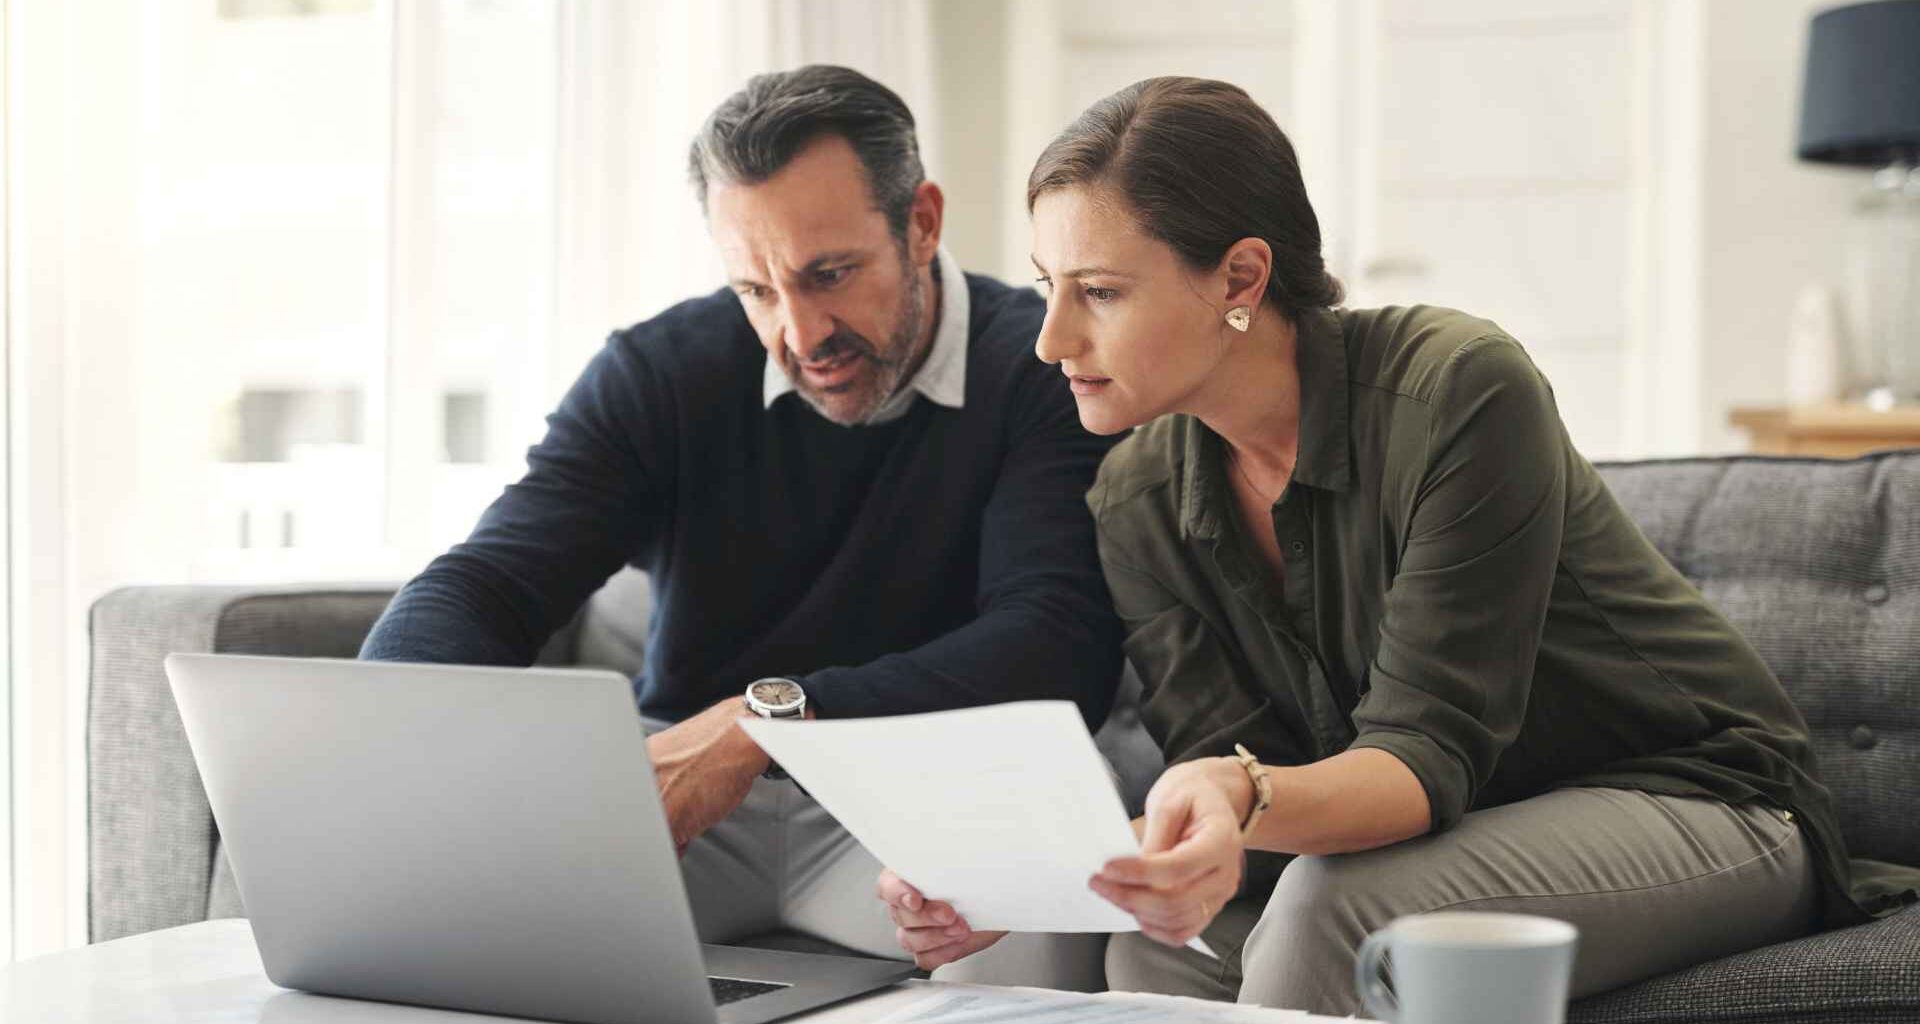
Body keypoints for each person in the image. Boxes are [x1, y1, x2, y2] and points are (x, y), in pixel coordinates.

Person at [878, 76, 1920, 1014]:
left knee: (1336, 911)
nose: (1051, 338)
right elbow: (1232, 769)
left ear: (1241, 277)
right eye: (1047, 286)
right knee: (1156, 949)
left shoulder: (1458, 389)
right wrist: (1033, 878)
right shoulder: (1138, 494)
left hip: (1699, 800)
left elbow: (1420, 758)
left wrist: (1239, 795)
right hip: (1452, 832)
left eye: (1099, 291)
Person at [360, 65, 1123, 986]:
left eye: (828, 275)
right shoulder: (659, 373)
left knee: (1036, 931)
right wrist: (392, 736)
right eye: (757, 290)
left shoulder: (1043, 367)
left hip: (927, 797)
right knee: (430, 924)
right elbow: (489, 583)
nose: (800, 334)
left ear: (921, 222)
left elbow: (1055, 645)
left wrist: (765, 722)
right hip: (686, 798)